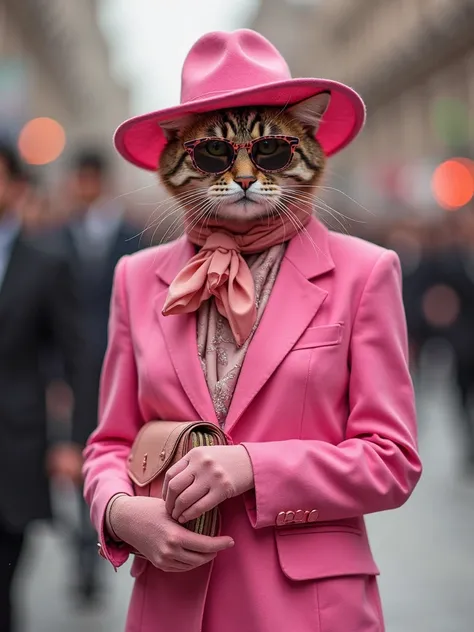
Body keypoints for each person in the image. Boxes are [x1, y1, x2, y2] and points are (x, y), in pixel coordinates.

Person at [83, 30, 422, 632]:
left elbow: (391, 461)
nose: (242, 175)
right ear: (176, 157)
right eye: (214, 155)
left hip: (309, 609)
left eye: (269, 154)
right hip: (170, 602)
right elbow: (110, 443)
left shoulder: (366, 272)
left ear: (307, 151)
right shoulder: (134, 278)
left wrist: (254, 467)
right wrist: (117, 510)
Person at [0, 142, 86, 632]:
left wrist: (74, 440)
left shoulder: (45, 264)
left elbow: (76, 358)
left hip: (15, 449)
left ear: (15, 187)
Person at [54, 148, 143, 603]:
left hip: (125, 369)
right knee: (80, 462)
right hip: (77, 375)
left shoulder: (132, 236)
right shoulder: (58, 237)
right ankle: (85, 557)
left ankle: (117, 539)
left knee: (125, 460)